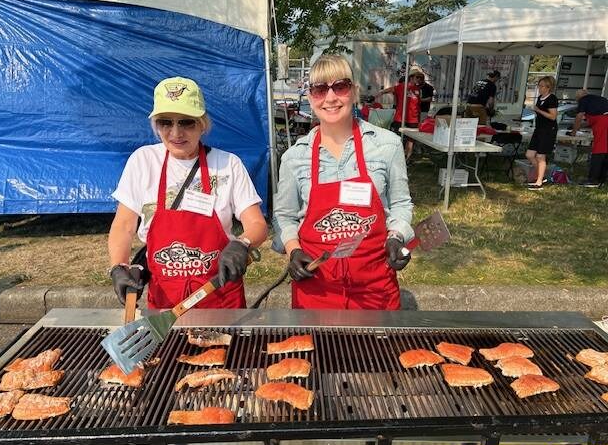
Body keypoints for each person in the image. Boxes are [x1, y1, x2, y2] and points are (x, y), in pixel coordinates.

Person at [107, 76, 268, 309]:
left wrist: (242, 244)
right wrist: (118, 267)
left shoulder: (228, 164)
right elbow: (123, 225)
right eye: (165, 122)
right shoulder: (143, 161)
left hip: (219, 296)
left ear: (202, 124)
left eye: (186, 122)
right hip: (165, 301)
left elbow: (257, 224)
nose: (176, 133)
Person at [273, 54, 414, 310]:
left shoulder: (386, 145)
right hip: (316, 290)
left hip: (375, 289)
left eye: (340, 86)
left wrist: (397, 236)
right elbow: (284, 216)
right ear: (309, 97)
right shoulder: (295, 157)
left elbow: (401, 204)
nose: (330, 98)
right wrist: (293, 251)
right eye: (319, 89)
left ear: (354, 92)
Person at [378, 70, 421, 160]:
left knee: (411, 139)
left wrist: (419, 117)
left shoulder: (417, 89)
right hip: (400, 117)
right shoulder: (402, 86)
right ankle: (396, 157)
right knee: (397, 138)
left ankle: (407, 158)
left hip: (413, 118)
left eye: (420, 77)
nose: (419, 79)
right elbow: (391, 89)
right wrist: (380, 93)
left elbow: (418, 104)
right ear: (411, 77)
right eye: (417, 77)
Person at [525, 76, 558, 190]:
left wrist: (539, 110)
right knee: (529, 155)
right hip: (539, 129)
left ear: (549, 87)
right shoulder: (540, 98)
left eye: (542, 86)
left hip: (548, 130)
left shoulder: (552, 98)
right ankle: (542, 175)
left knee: (540, 156)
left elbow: (553, 117)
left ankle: (539, 182)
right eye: (539, 85)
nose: (540, 88)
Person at [571, 89, 608, 188]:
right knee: (605, 150)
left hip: (604, 123)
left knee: (598, 150)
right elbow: (590, 121)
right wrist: (580, 126)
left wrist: (574, 131)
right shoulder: (597, 100)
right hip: (604, 121)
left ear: (579, 97)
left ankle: (593, 180)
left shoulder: (583, 100)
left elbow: (579, 117)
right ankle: (602, 179)